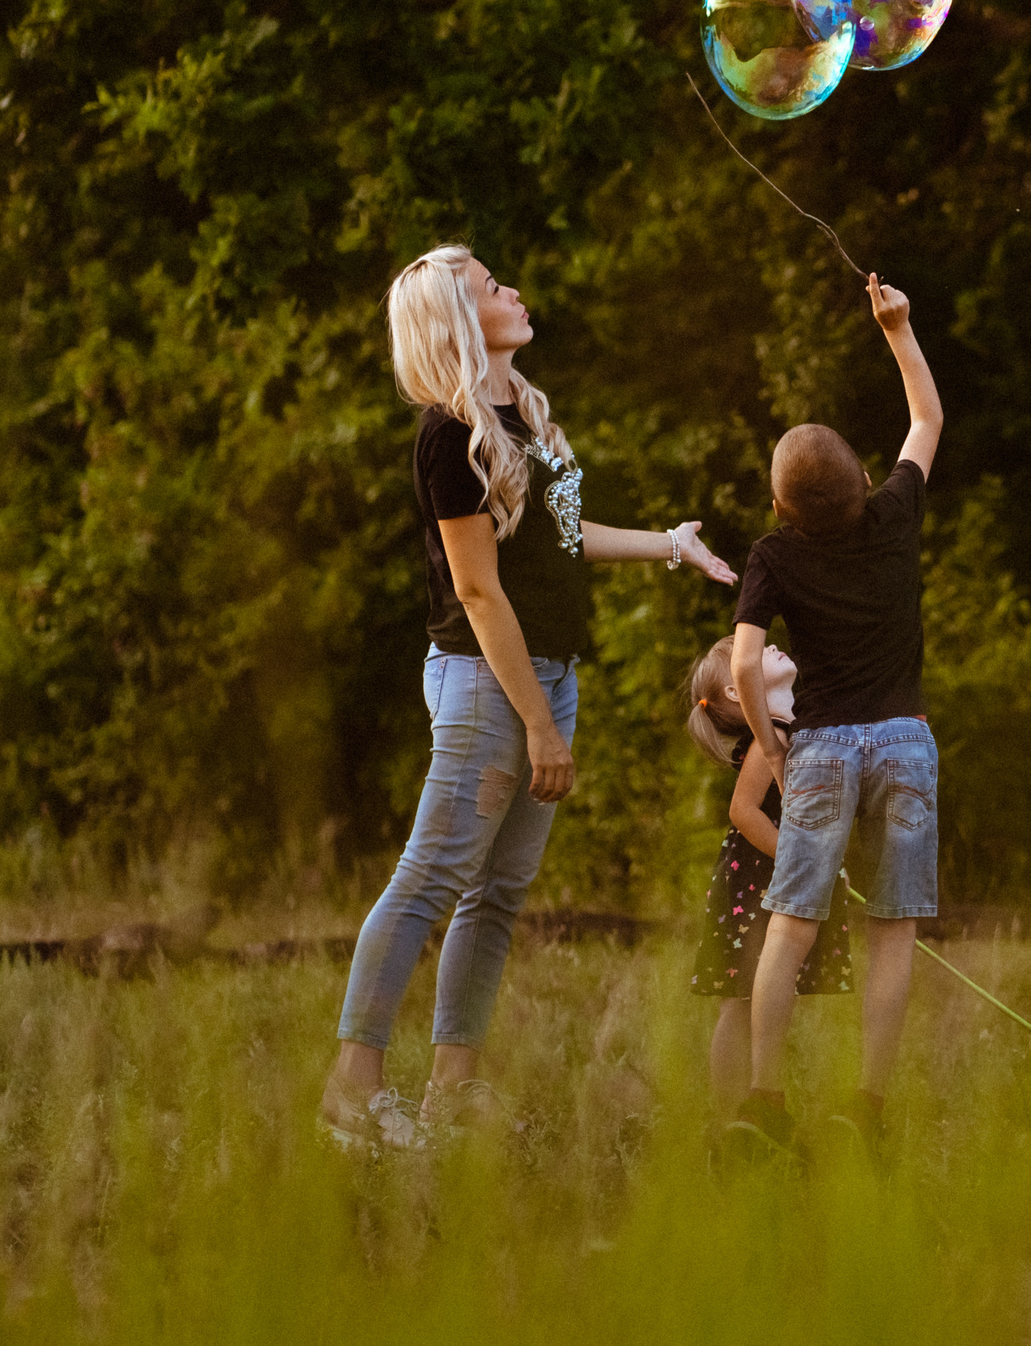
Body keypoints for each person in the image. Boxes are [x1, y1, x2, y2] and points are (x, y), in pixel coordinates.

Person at [317, 244, 740, 1151]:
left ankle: (452, 1093)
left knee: (497, 893)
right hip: (486, 683)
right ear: (459, 320)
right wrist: (540, 726)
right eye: (486, 284)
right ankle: (351, 1092)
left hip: (550, 671)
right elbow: (477, 592)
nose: (511, 286)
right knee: (431, 878)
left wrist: (670, 544)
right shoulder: (446, 432)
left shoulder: (532, 415)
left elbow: (564, 534)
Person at [729, 272, 943, 1161]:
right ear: (863, 477)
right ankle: (868, 1103)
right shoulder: (894, 515)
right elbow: (926, 420)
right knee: (892, 930)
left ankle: (762, 1100)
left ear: (782, 505)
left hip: (815, 747)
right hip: (903, 741)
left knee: (792, 921)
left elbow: (744, 662)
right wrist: (895, 328)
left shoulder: (773, 552)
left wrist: (772, 745)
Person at [681, 633, 854, 1114]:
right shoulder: (771, 736)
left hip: (775, 871)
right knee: (740, 1000)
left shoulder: (790, 726)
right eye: (752, 647)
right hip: (756, 878)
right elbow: (743, 811)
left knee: (759, 995)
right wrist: (800, 858)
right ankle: (730, 1118)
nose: (772, 645)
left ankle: (750, 1107)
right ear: (738, 689)